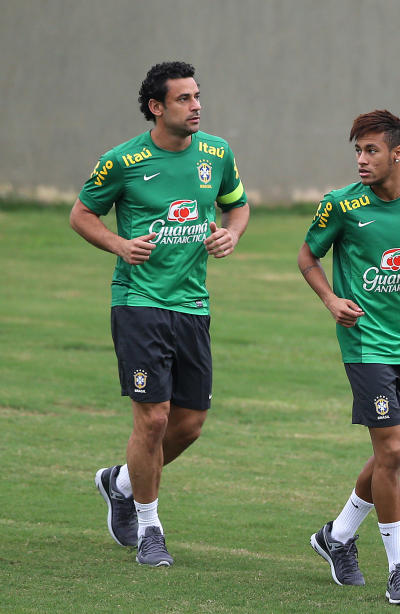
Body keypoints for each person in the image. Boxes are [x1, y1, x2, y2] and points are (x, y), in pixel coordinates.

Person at [70, 61, 249, 567]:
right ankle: (150, 528)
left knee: (189, 424)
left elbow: (237, 206)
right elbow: (82, 214)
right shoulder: (123, 160)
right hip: (139, 304)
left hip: (193, 306)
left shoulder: (217, 152)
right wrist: (119, 245)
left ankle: (120, 482)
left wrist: (231, 232)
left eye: (197, 97)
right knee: (153, 420)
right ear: (156, 107)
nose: (196, 106)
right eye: (184, 99)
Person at [299, 110, 400, 605]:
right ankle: (399, 569)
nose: (362, 160)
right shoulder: (341, 206)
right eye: (357, 151)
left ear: (399, 152)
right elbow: (308, 257)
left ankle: (339, 535)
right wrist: (331, 300)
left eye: (371, 150)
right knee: (390, 453)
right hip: (365, 344)